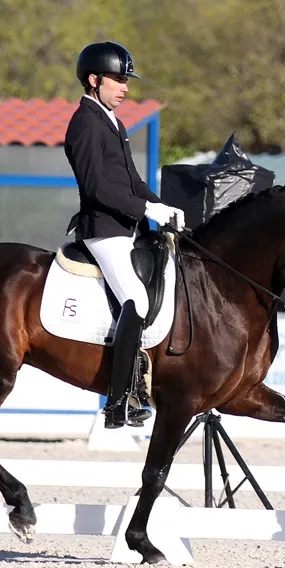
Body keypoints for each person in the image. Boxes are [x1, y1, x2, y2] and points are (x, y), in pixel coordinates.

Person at [64, 41, 185, 429]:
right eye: (118, 80)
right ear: (93, 80)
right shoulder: (84, 122)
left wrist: (162, 207)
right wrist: (145, 210)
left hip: (126, 229)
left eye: (125, 80)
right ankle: (119, 400)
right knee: (135, 297)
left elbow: (132, 181)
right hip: (103, 230)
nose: (126, 87)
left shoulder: (113, 122)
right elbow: (97, 187)